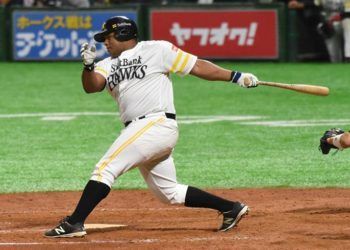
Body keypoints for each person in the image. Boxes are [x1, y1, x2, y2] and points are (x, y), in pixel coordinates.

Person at [44, 16, 258, 238]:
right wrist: (88, 66)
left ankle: (74, 222)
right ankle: (231, 208)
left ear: (123, 33)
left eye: (108, 37)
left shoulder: (157, 49)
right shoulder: (105, 64)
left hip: (155, 123)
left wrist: (236, 76)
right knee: (169, 193)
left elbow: (197, 66)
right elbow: (92, 86)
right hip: (142, 131)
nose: (104, 43)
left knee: (105, 168)